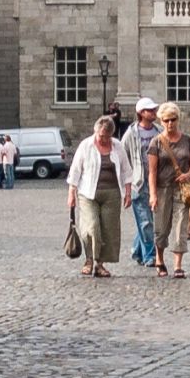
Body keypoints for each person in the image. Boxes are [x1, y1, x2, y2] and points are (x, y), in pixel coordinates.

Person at [67, 115, 131, 278]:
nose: (103, 139)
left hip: (112, 193)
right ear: (96, 131)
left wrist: (128, 192)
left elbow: (126, 170)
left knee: (109, 230)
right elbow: (75, 170)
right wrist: (71, 193)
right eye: (101, 136)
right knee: (92, 227)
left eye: (107, 136)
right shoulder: (86, 145)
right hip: (87, 192)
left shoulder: (117, 146)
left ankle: (99, 264)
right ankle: (88, 259)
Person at [147, 102, 190, 278]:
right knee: (162, 228)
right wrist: (153, 194)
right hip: (163, 189)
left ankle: (178, 265)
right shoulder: (156, 142)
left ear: (178, 119)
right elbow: (152, 172)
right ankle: (159, 259)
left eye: (173, 119)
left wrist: (188, 174)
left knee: (181, 226)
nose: (170, 123)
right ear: (161, 121)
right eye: (166, 120)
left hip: (182, 190)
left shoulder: (187, 141)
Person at [120, 98, 162, 267]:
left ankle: (137, 251)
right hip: (138, 182)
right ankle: (149, 256)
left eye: (154, 110)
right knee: (145, 221)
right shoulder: (131, 134)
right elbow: (123, 157)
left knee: (150, 220)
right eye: (150, 110)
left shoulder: (159, 131)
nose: (153, 113)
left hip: (156, 182)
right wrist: (126, 184)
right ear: (141, 113)